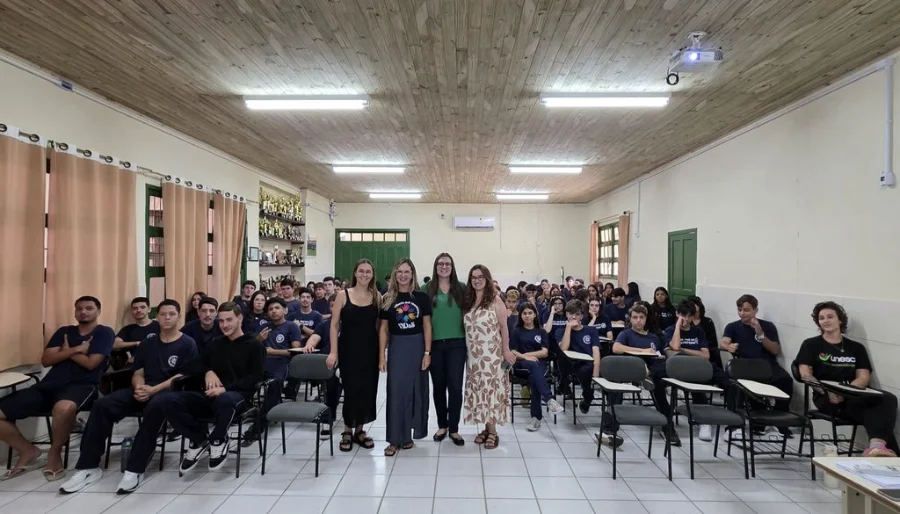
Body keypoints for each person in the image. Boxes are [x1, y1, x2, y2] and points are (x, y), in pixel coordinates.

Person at [59, 299, 198, 494]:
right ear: (156, 317)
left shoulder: (187, 343)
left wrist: (153, 390)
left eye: (171, 314)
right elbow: (138, 371)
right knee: (102, 405)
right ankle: (88, 466)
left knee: (155, 409)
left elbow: (181, 376)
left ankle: (135, 468)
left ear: (179, 316)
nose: (167, 318)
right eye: (163, 314)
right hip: (143, 388)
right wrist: (140, 387)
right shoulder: (148, 344)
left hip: (168, 393)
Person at [0, 296, 114, 481]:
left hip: (83, 386)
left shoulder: (104, 332)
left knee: (63, 408)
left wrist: (63, 352)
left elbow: (91, 364)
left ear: (98, 311)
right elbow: (46, 360)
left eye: (89, 308)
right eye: (79, 308)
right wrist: (76, 349)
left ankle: (55, 452)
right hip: (48, 386)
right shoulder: (64, 331)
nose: (83, 312)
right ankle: (28, 451)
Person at [155, 302, 265, 473]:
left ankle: (218, 439)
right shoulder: (216, 344)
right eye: (221, 321)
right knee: (165, 400)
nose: (225, 325)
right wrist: (208, 371)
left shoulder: (253, 345)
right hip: (208, 395)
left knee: (225, 400)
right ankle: (199, 439)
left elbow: (255, 378)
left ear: (240, 318)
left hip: (238, 397)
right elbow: (191, 366)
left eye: (229, 320)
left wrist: (225, 388)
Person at [796, 302, 898, 456]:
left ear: (840, 320)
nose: (825, 321)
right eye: (821, 318)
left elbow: (863, 376)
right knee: (876, 413)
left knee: (888, 399)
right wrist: (827, 392)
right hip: (826, 397)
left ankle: (877, 449)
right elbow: (805, 375)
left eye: (830, 316)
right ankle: (883, 451)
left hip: (853, 393)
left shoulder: (856, 347)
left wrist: (848, 391)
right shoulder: (811, 345)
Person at [378, 259, 432, 456]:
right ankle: (394, 438)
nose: (403, 275)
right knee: (396, 392)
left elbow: (427, 326)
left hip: (417, 347)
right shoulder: (387, 298)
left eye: (407, 271)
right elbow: (383, 329)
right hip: (397, 348)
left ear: (413, 274)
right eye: (399, 271)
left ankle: (408, 436)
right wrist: (381, 356)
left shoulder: (421, 298)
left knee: (416, 392)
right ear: (394, 274)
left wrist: (427, 353)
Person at [326, 259, 380, 452]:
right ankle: (347, 430)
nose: (365, 274)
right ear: (355, 273)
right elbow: (334, 325)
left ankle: (360, 430)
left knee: (367, 390)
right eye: (361, 271)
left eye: (368, 272)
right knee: (350, 390)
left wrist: (381, 355)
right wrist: (333, 351)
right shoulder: (343, 295)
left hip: (369, 351)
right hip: (348, 350)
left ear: (373, 275)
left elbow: (380, 327)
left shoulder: (377, 296)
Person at [721, 294, 792, 436]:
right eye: (739, 309)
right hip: (744, 366)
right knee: (731, 384)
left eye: (746, 310)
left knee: (786, 380)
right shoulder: (733, 326)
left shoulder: (767, 326)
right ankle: (734, 424)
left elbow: (775, 350)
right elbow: (723, 342)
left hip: (766, 365)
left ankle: (779, 421)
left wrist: (760, 334)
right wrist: (728, 346)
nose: (742, 313)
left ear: (755, 310)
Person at [463, 264, 514, 449]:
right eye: (473, 277)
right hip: (474, 357)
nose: (476, 280)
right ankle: (486, 427)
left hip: (491, 355)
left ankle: (493, 432)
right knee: (480, 391)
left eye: (480, 277)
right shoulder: (468, 300)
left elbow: (503, 326)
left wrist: (506, 350)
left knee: (491, 391)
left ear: (487, 279)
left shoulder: (495, 299)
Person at [613, 304, 680, 446]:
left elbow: (659, 354)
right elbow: (616, 348)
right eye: (635, 317)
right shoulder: (626, 334)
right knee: (616, 387)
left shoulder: (653, 337)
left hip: (653, 369)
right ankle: (610, 428)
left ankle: (668, 428)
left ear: (646, 319)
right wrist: (641, 351)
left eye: (641, 317)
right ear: (630, 319)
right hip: (631, 367)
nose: (638, 321)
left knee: (660, 387)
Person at [664, 299, 728, 442]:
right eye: (683, 315)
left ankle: (732, 426)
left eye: (689, 316)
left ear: (693, 316)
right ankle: (702, 421)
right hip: (681, 367)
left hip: (700, 365)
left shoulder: (698, 331)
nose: (686, 319)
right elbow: (674, 347)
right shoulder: (670, 330)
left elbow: (705, 355)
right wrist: (677, 328)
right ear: (677, 314)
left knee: (728, 381)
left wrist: (684, 349)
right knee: (695, 381)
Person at [242, 297, 302, 443]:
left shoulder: (291, 326)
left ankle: (259, 424)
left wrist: (273, 352)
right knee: (244, 378)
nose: (273, 311)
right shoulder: (264, 326)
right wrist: (259, 339)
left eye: (277, 308)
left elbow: (296, 351)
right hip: (261, 362)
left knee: (275, 383)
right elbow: (250, 347)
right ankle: (245, 410)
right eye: (270, 309)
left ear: (285, 310)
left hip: (281, 363)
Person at [425, 253, 468, 446]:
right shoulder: (426, 289)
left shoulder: (462, 288)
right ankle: (442, 425)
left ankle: (454, 428)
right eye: (440, 263)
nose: (444, 266)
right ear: (435, 266)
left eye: (447, 263)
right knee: (439, 387)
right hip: (434, 345)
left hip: (457, 344)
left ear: (452, 266)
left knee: (455, 387)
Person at [511, 304, 564, 431]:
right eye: (525, 313)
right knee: (533, 366)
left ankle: (536, 418)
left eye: (530, 313)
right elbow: (512, 351)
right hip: (521, 364)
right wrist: (524, 357)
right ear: (521, 315)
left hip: (539, 364)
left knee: (534, 377)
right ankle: (549, 399)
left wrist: (528, 354)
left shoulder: (541, 331)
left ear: (535, 314)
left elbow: (544, 352)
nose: (527, 316)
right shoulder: (516, 331)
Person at [303, 294, 341, 439]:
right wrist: (309, 345)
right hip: (329, 363)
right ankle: (327, 420)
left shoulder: (351, 324)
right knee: (332, 384)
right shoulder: (325, 325)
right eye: (333, 305)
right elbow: (314, 337)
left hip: (348, 362)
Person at [111, 297, 160, 370]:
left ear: (149, 309)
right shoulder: (128, 329)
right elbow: (114, 345)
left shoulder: (159, 326)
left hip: (158, 362)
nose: (139, 310)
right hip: (135, 365)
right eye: (135, 308)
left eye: (142, 307)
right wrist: (137, 343)